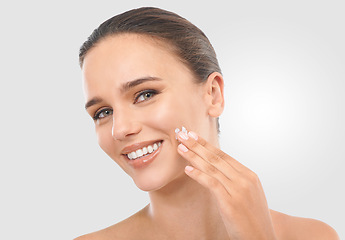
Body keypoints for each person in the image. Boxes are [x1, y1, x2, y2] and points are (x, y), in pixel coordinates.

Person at [75, 7, 339, 240]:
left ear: (213, 94)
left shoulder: (313, 236)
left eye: (145, 94)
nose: (120, 129)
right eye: (103, 112)